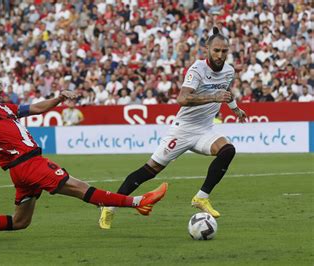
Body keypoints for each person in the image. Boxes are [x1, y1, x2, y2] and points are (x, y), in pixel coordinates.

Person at [0, 71, 168, 240]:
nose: (0, 89)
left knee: (21, 222)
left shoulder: (5, 107)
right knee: (78, 186)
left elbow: (36, 107)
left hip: (22, 168)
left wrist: (59, 98)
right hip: (29, 162)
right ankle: (138, 202)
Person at [99, 27, 248, 229]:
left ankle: (201, 198)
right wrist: (213, 97)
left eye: (224, 51)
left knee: (228, 150)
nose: (220, 55)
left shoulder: (229, 71)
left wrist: (235, 109)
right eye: (216, 50)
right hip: (183, 129)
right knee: (150, 170)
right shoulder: (197, 69)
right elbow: (182, 98)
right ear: (207, 49)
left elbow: (225, 90)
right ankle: (109, 206)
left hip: (205, 129)